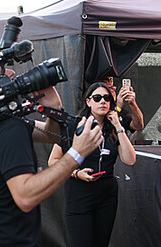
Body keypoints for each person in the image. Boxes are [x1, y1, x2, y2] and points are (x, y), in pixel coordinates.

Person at [0, 61, 104, 247]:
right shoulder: (9, 129)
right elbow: (25, 197)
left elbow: (51, 135)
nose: (12, 73)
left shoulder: (0, 122)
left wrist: (54, 109)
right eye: (3, 72)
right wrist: (77, 153)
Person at [48, 82, 136, 247]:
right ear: (88, 102)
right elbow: (52, 161)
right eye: (97, 98)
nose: (103, 101)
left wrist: (118, 126)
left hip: (106, 194)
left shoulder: (113, 129)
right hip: (79, 193)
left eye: (107, 98)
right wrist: (76, 173)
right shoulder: (74, 126)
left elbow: (130, 160)